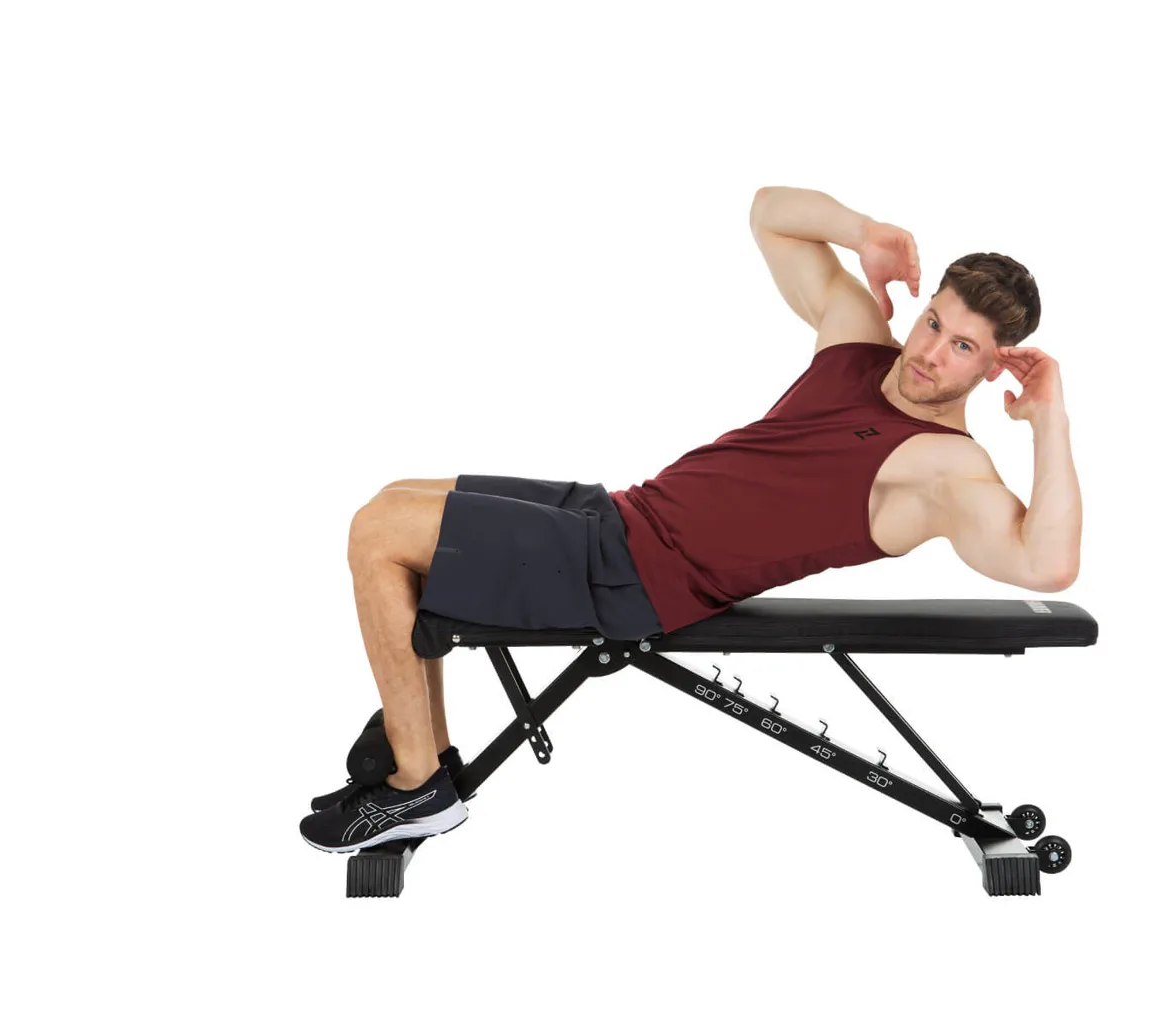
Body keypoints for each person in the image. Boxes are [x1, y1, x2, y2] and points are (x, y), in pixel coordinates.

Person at [298, 185, 1083, 853]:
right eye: (934, 323)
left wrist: (1050, 419)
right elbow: (768, 213)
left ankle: (415, 787)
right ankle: (426, 756)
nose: (931, 353)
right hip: (618, 515)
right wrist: (865, 233)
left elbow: (1046, 563)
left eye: (963, 347)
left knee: (380, 534)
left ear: (994, 366)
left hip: (635, 577)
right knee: (396, 500)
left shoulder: (942, 467)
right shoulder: (856, 342)